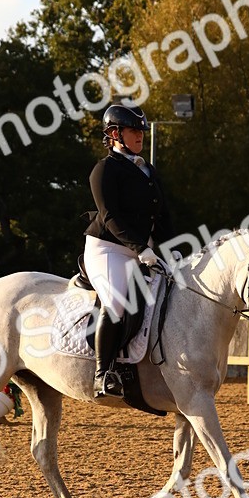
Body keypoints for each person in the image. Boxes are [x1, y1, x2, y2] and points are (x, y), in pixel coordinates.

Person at [84, 102, 175, 398]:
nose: (140, 136)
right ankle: (103, 373)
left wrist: (176, 250)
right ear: (114, 133)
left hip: (141, 249)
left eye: (141, 131)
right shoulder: (104, 170)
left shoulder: (147, 170)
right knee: (117, 302)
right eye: (133, 130)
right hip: (107, 248)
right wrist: (140, 248)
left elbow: (162, 218)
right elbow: (110, 217)